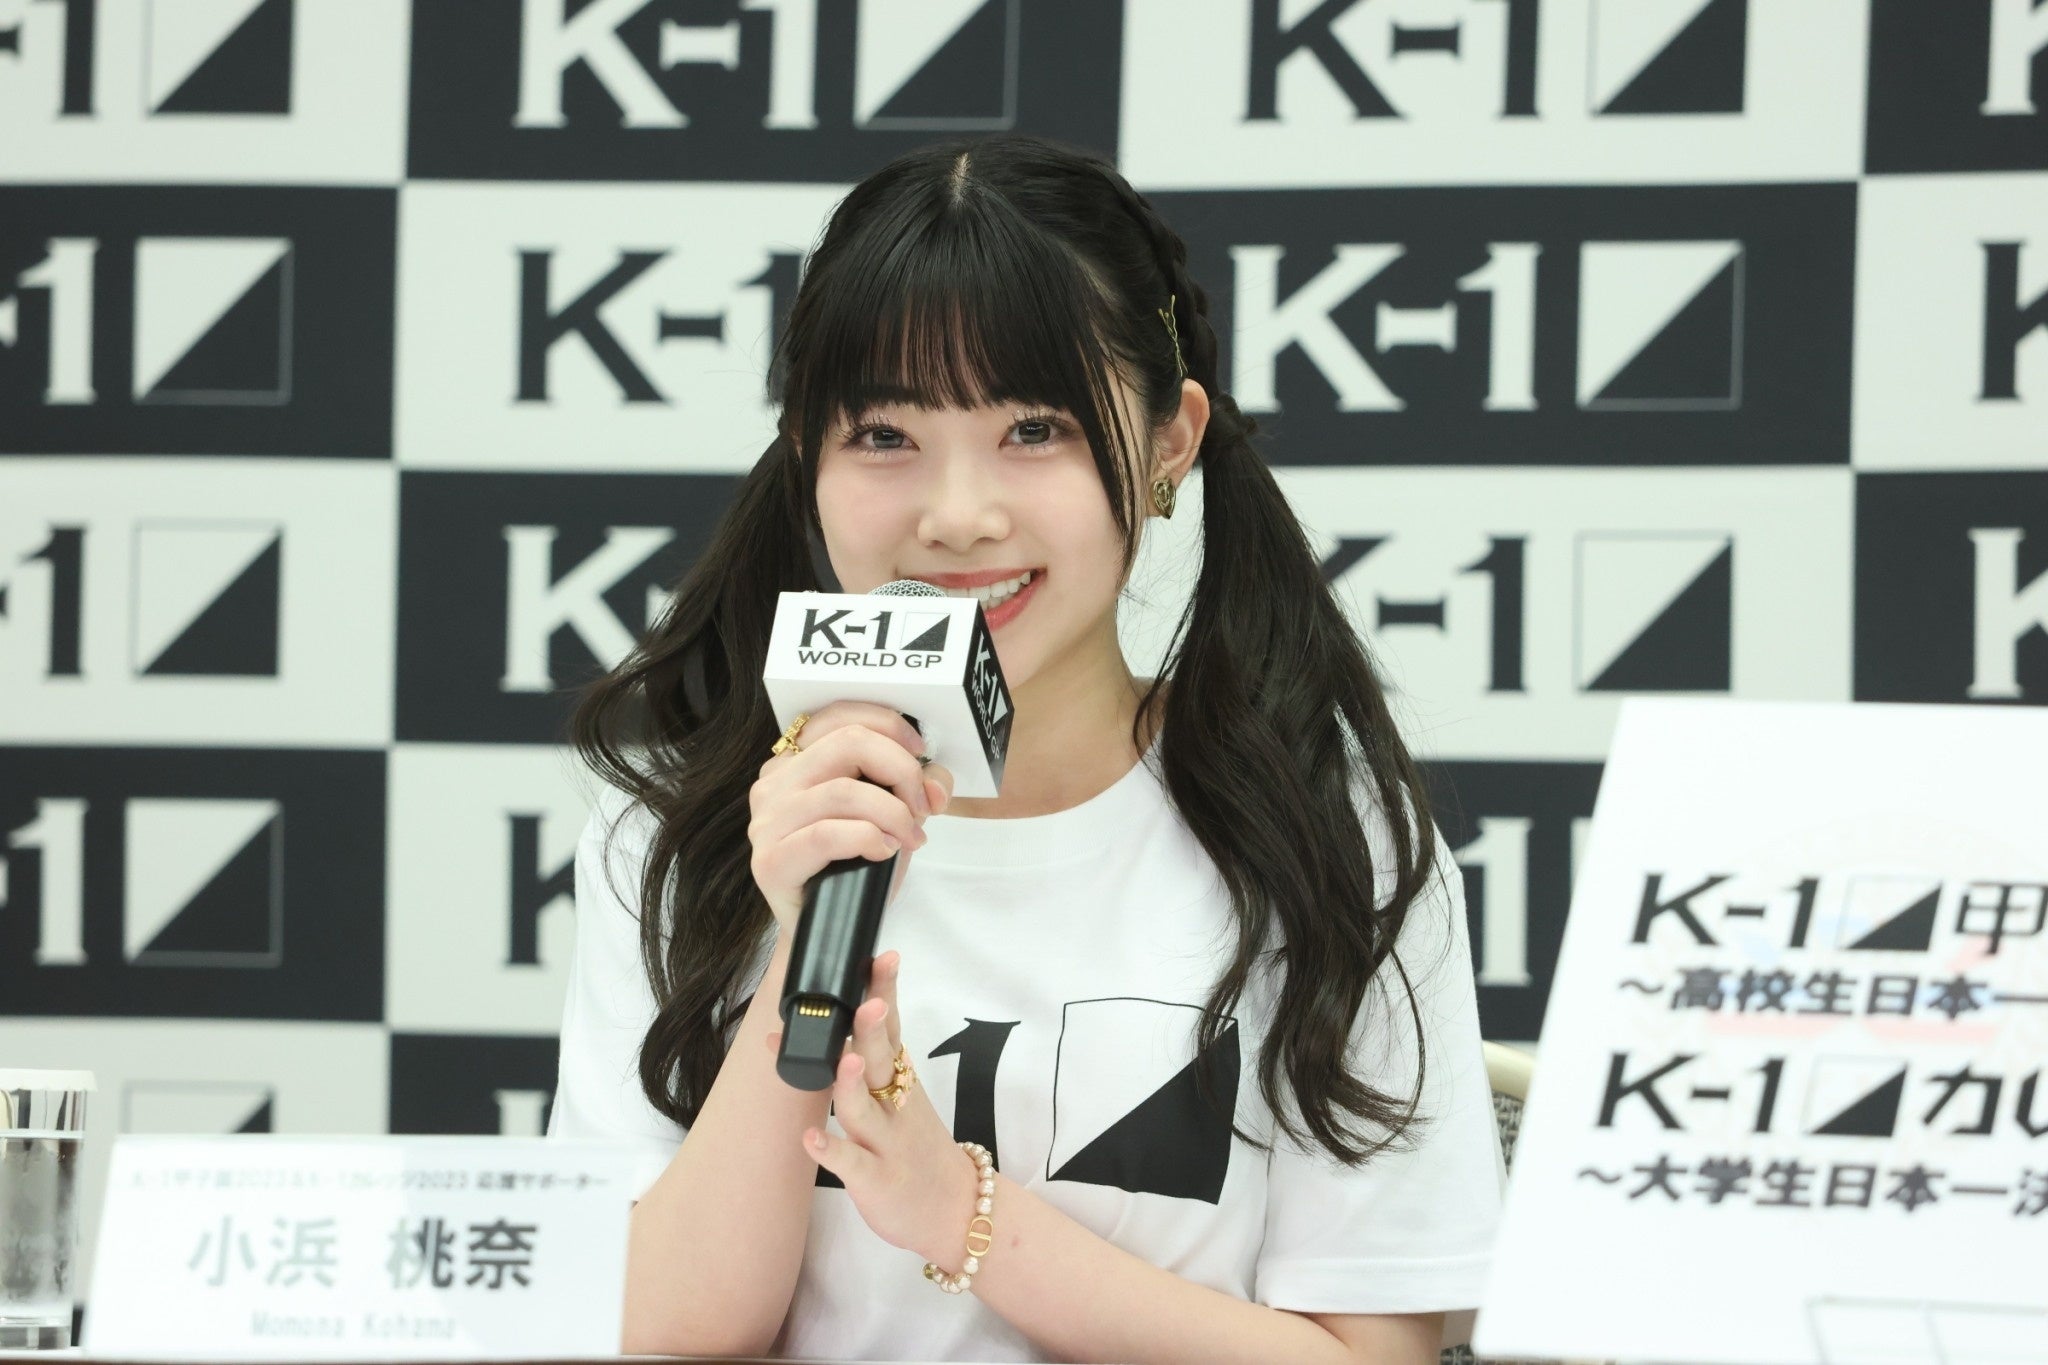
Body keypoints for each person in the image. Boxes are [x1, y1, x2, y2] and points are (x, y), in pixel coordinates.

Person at [546, 130, 1506, 1363]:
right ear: (802, 453)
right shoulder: (679, 833)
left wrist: (963, 1214)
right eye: (882, 436)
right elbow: (658, 1333)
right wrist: (800, 951)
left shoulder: (1318, 830)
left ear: (1167, 443)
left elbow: (1368, 1354)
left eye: (1034, 429)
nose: (958, 517)